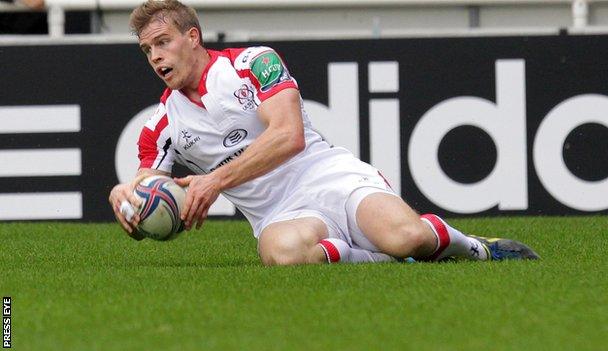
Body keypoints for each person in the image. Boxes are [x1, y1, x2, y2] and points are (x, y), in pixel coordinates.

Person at [108, 0, 539, 265]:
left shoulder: (254, 63)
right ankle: (378, 260)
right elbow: (149, 181)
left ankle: (477, 248)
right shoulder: (160, 124)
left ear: (193, 36)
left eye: (163, 42)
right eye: (147, 49)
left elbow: (288, 136)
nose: (155, 56)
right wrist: (125, 194)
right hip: (278, 214)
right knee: (282, 256)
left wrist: (216, 180)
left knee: (409, 238)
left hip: (328, 177)